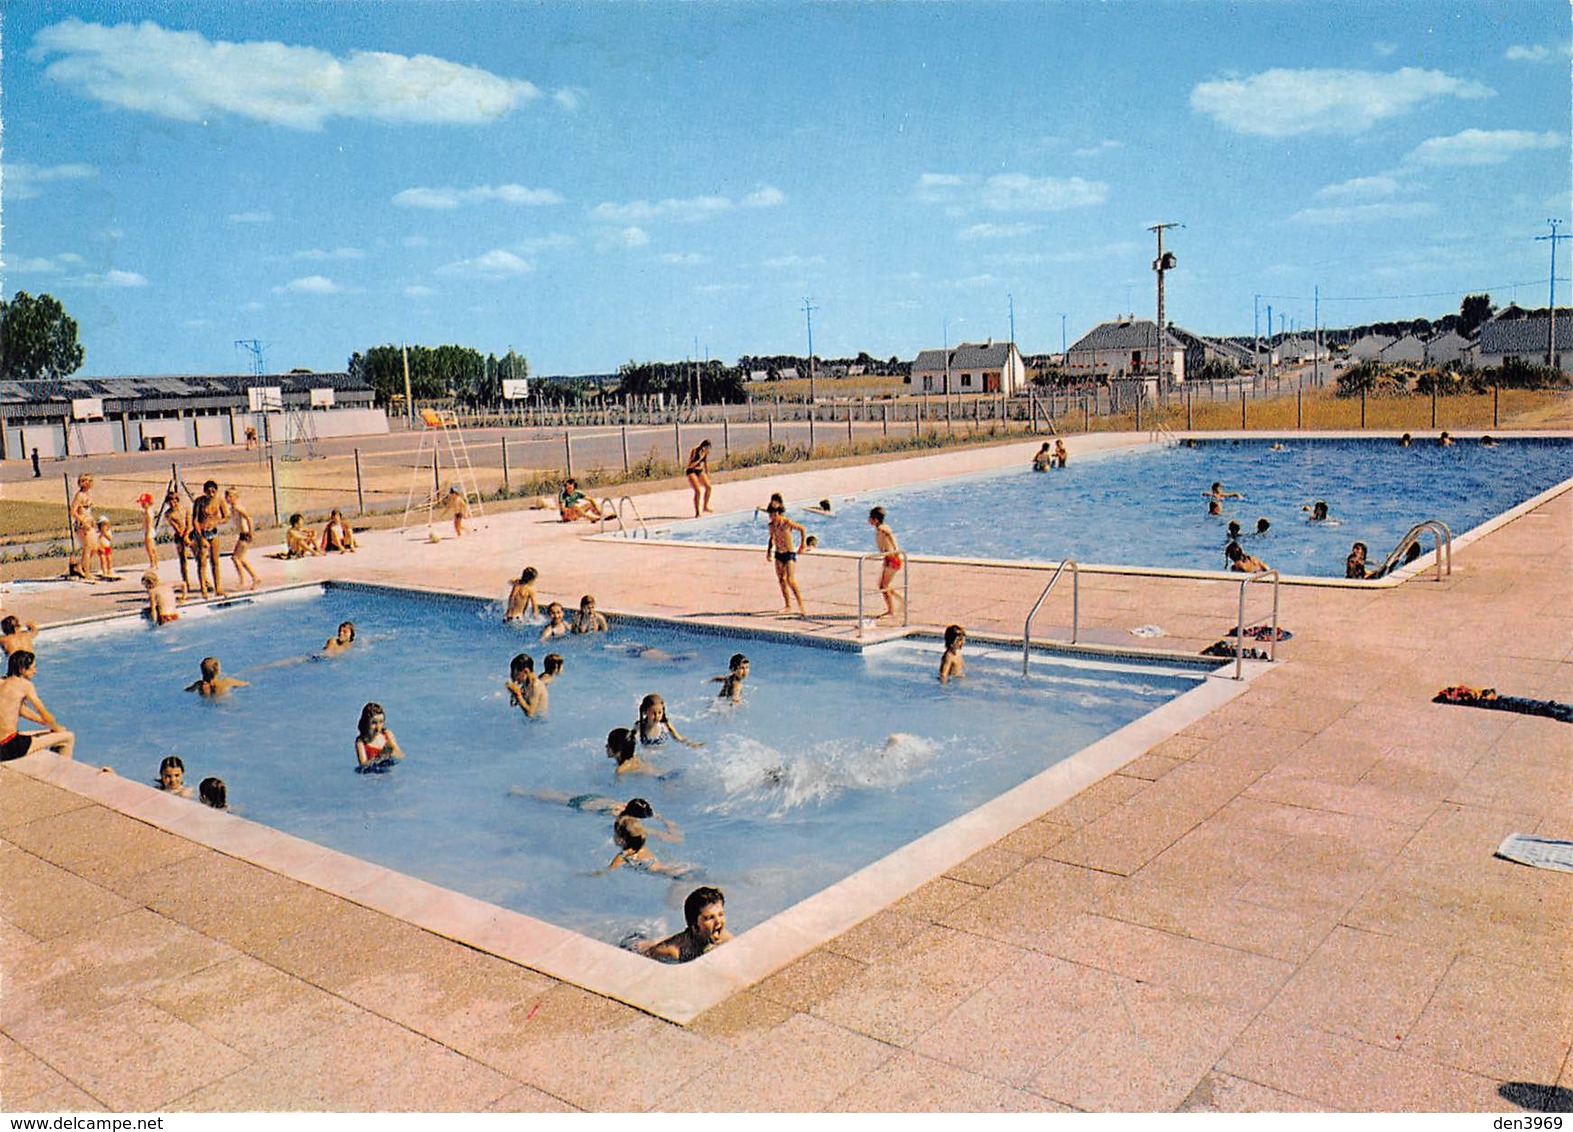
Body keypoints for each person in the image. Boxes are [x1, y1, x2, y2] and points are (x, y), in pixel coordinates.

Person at [0, 650, 75, 761]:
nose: (35, 671)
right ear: (22, 669)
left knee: (48, 733)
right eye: (33, 668)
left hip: (4, 742)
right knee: (68, 737)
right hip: (9, 747)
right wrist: (57, 728)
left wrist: (45, 724)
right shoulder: (25, 685)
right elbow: (44, 713)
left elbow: (21, 710)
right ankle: (61, 774)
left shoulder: (2, 682)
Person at [642, 886, 732, 963]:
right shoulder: (673, 952)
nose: (718, 921)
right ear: (694, 926)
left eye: (720, 914)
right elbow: (644, 961)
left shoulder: (722, 936)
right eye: (709, 918)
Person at [765, 498, 807, 616]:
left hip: (789, 553)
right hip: (778, 554)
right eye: (770, 515)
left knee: (791, 580)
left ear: (778, 513)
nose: (771, 517)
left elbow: (802, 529)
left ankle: (801, 605)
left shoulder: (787, 523)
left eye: (772, 514)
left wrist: (802, 544)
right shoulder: (771, 526)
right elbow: (771, 538)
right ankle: (788, 605)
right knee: (781, 580)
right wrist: (768, 551)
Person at [190, 480, 229, 599]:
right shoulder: (199, 501)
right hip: (202, 533)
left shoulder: (219, 501)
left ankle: (218, 588)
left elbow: (226, 517)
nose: (211, 493)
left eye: (213, 491)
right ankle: (204, 590)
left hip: (213, 532)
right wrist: (201, 537)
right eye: (208, 491)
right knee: (202, 562)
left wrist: (217, 522)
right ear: (205, 491)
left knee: (215, 562)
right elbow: (195, 520)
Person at [869, 506, 904, 620]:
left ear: (876, 519)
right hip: (889, 558)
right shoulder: (882, 528)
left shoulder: (882, 529)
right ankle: (900, 598)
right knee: (883, 585)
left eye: (870, 518)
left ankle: (891, 611)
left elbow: (890, 535)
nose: (868, 520)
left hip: (892, 559)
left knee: (884, 586)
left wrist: (896, 550)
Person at [636, 692, 701, 748]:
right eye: (654, 713)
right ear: (645, 712)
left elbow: (679, 738)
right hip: (646, 758)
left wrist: (691, 744)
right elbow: (632, 741)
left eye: (659, 712)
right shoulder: (640, 726)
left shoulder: (665, 725)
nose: (657, 716)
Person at [227, 489, 260, 590]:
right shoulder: (232, 509)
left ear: (236, 497)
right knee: (240, 558)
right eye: (227, 496)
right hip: (241, 534)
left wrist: (251, 533)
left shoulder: (238, 508)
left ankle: (243, 581)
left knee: (236, 558)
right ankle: (255, 577)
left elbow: (249, 518)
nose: (228, 498)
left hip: (245, 534)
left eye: (230, 496)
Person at [355, 702, 403, 771]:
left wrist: (392, 750)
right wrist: (380, 756)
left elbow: (400, 755)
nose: (378, 727)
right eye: (374, 723)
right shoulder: (361, 742)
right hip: (372, 776)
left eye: (381, 722)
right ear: (366, 723)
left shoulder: (387, 734)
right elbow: (363, 765)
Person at [161, 489, 194, 590]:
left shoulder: (184, 508)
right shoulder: (169, 514)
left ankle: (205, 580)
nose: (172, 503)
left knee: (199, 557)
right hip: (180, 536)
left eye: (174, 500)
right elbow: (176, 528)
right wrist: (183, 536)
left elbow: (189, 523)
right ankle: (186, 582)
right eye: (170, 501)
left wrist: (187, 535)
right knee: (183, 560)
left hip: (190, 533)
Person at [68, 475, 97, 581]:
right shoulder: (79, 495)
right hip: (82, 524)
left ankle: (79, 566)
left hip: (89, 522)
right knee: (88, 548)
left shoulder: (88, 494)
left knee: (94, 547)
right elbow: (73, 511)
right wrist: (83, 521)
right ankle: (87, 572)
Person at [685, 439, 714, 518]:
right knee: (698, 491)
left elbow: (705, 463)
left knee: (709, 487)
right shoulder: (695, 450)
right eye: (706, 448)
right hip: (691, 471)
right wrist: (699, 459)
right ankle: (697, 512)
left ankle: (705, 506)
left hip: (699, 471)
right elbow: (690, 465)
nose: (706, 450)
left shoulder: (705, 452)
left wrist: (707, 472)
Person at [138, 492, 158, 570]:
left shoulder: (148, 512)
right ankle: (155, 563)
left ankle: (153, 564)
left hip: (148, 531)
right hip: (149, 530)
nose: (142, 505)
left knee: (150, 548)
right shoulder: (148, 511)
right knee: (152, 548)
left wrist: (147, 534)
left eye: (143, 503)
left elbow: (149, 523)